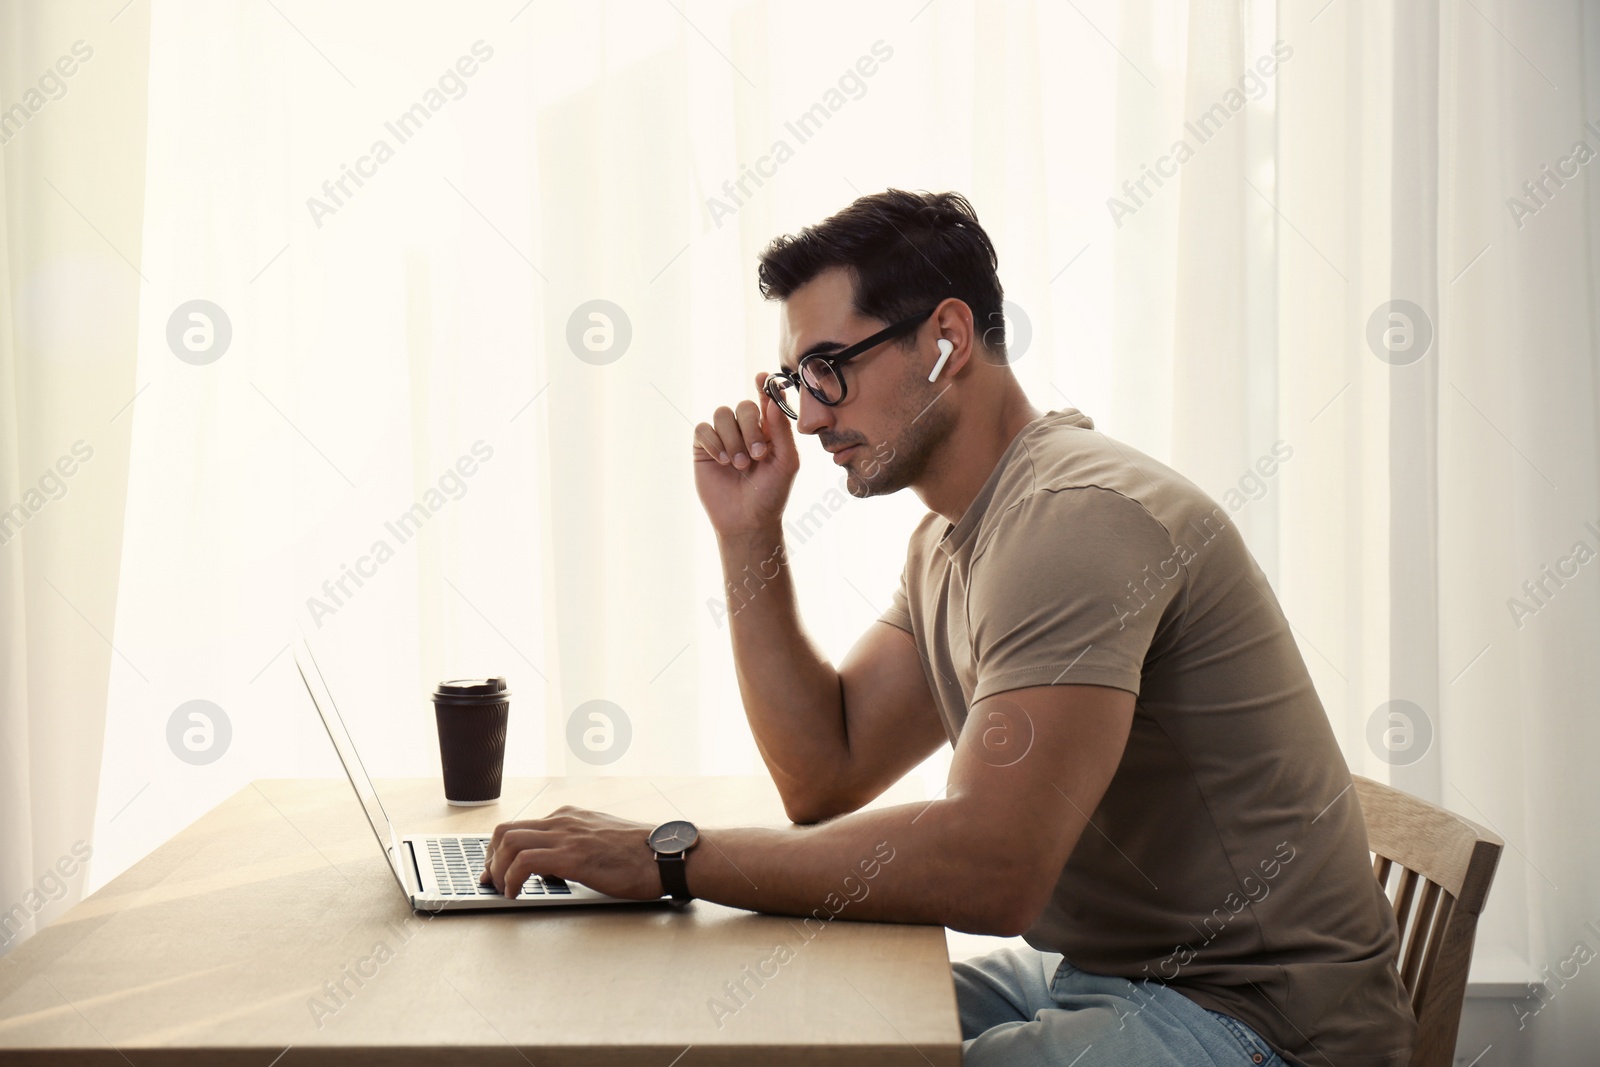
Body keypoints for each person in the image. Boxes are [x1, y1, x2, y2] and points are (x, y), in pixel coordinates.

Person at [480, 188, 1416, 1067]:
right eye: (795, 377)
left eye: (828, 370)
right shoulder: (954, 539)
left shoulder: (1077, 521)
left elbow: (993, 869)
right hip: (1107, 973)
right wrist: (748, 532)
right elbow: (824, 771)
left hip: (1257, 1021)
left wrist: (671, 854)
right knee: (767, 1024)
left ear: (947, 338)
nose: (806, 416)